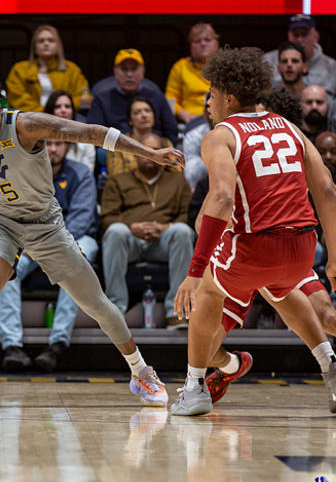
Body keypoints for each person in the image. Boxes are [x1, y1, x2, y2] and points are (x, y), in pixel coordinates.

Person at [0, 65, 185, 407]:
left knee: (97, 304)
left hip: (46, 225)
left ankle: (141, 372)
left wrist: (150, 153)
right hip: (0, 223)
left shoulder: (25, 124)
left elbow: (91, 132)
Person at [170, 47, 336, 416]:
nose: (207, 102)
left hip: (253, 248)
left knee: (208, 290)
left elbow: (222, 199)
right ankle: (329, 363)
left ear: (229, 96)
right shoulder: (289, 126)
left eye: (210, 94)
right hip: (303, 248)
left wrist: (194, 273)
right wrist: (335, 258)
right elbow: (326, 190)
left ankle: (194, 387)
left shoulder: (221, 134)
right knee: (280, 287)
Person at [0, 138, 99, 372]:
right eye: (48, 144)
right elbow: (16, 212)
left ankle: (57, 344)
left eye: (58, 144)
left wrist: (46, 245)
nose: (53, 149)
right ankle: (12, 346)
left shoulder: (81, 173)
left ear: (68, 147)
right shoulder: (23, 172)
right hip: (30, 241)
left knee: (78, 259)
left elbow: (81, 219)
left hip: (74, 238)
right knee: (5, 267)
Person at [101, 134, 194, 328]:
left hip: (164, 242)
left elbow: (188, 215)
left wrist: (165, 227)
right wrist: (131, 227)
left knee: (182, 231)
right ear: (135, 153)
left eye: (156, 151)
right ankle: (115, 310)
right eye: (146, 151)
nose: (150, 156)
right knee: (115, 231)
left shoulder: (177, 181)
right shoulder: (119, 180)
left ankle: (176, 312)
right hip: (130, 242)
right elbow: (107, 218)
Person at [88, 49, 179, 145]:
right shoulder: (101, 99)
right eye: (124, 69)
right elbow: (94, 133)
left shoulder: (157, 96)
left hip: (154, 146)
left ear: (143, 71)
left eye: (134, 69)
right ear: (115, 71)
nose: (129, 74)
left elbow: (171, 131)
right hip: (116, 148)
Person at [6, 25, 91, 112]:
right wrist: (46, 112)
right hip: (31, 117)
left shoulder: (72, 69)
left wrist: (63, 109)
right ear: (34, 47)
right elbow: (17, 98)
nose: (46, 43)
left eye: (51, 40)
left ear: (58, 46)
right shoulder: (19, 69)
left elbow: (85, 99)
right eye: (41, 41)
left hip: (66, 117)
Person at [264, 14, 336, 99]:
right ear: (289, 36)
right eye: (296, 35)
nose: (300, 39)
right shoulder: (268, 61)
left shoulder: (332, 67)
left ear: (316, 36)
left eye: (305, 34)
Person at [106, 96, 179, 177]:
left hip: (162, 187)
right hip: (128, 188)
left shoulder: (165, 142)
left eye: (147, 111)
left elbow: (176, 174)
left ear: (154, 116)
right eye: (137, 112)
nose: (144, 115)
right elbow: (116, 178)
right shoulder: (118, 143)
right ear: (130, 120)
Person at [165, 22, 220, 123]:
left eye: (207, 40)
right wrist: (185, 115)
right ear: (190, 45)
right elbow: (170, 99)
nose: (202, 43)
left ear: (216, 43)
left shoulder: (226, 66)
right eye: (197, 41)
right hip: (190, 121)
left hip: (222, 119)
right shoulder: (180, 67)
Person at [43, 91, 95, 172]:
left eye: (67, 106)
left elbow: (87, 173)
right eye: (58, 106)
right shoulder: (39, 137)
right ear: (50, 110)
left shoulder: (85, 141)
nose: (63, 110)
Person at [182, 94, 211, 189]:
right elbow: (191, 163)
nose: (211, 111)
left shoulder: (238, 129)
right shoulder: (195, 133)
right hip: (206, 177)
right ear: (204, 112)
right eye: (208, 107)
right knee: (192, 167)